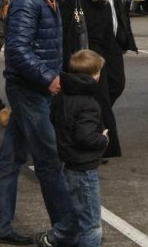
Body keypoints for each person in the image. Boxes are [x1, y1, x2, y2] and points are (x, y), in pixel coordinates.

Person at [0, 0, 73, 246]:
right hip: (29, 88)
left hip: (35, 87)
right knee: (49, 158)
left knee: (10, 157)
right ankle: (67, 229)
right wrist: (47, 77)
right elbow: (17, 49)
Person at [62, 0, 123, 158]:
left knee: (76, 106)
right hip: (98, 60)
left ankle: (80, 142)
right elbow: (109, 38)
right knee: (101, 104)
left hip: (79, 58)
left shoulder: (71, 2)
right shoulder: (103, 2)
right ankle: (105, 144)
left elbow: (63, 34)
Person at [51, 49, 110, 247]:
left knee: (79, 211)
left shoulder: (62, 96)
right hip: (84, 166)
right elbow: (84, 136)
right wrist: (102, 139)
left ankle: (54, 238)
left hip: (69, 163)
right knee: (92, 224)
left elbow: (54, 119)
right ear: (95, 75)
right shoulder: (89, 103)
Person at [76, 0, 138, 105]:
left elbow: (115, 4)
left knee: (117, 83)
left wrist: (123, 36)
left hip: (112, 38)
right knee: (99, 85)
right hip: (95, 40)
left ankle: (96, 114)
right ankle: (94, 117)